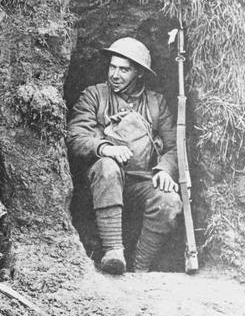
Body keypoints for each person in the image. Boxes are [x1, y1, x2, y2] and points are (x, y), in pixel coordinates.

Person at [66, 37, 181, 275]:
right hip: (100, 183)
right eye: (112, 67)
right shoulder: (95, 96)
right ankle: (113, 253)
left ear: (139, 73)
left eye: (124, 69)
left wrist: (165, 170)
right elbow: (75, 135)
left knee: (169, 200)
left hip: (141, 182)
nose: (115, 75)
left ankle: (141, 268)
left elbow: (175, 146)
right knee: (107, 166)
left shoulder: (156, 103)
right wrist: (104, 148)